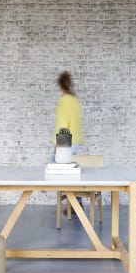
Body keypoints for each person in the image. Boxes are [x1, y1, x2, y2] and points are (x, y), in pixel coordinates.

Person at [54, 71, 85, 213]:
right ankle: (76, 203)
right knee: (70, 171)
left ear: (60, 86)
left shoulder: (64, 101)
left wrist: (58, 145)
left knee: (56, 169)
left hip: (66, 141)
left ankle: (75, 204)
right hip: (76, 139)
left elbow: (62, 124)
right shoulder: (75, 100)